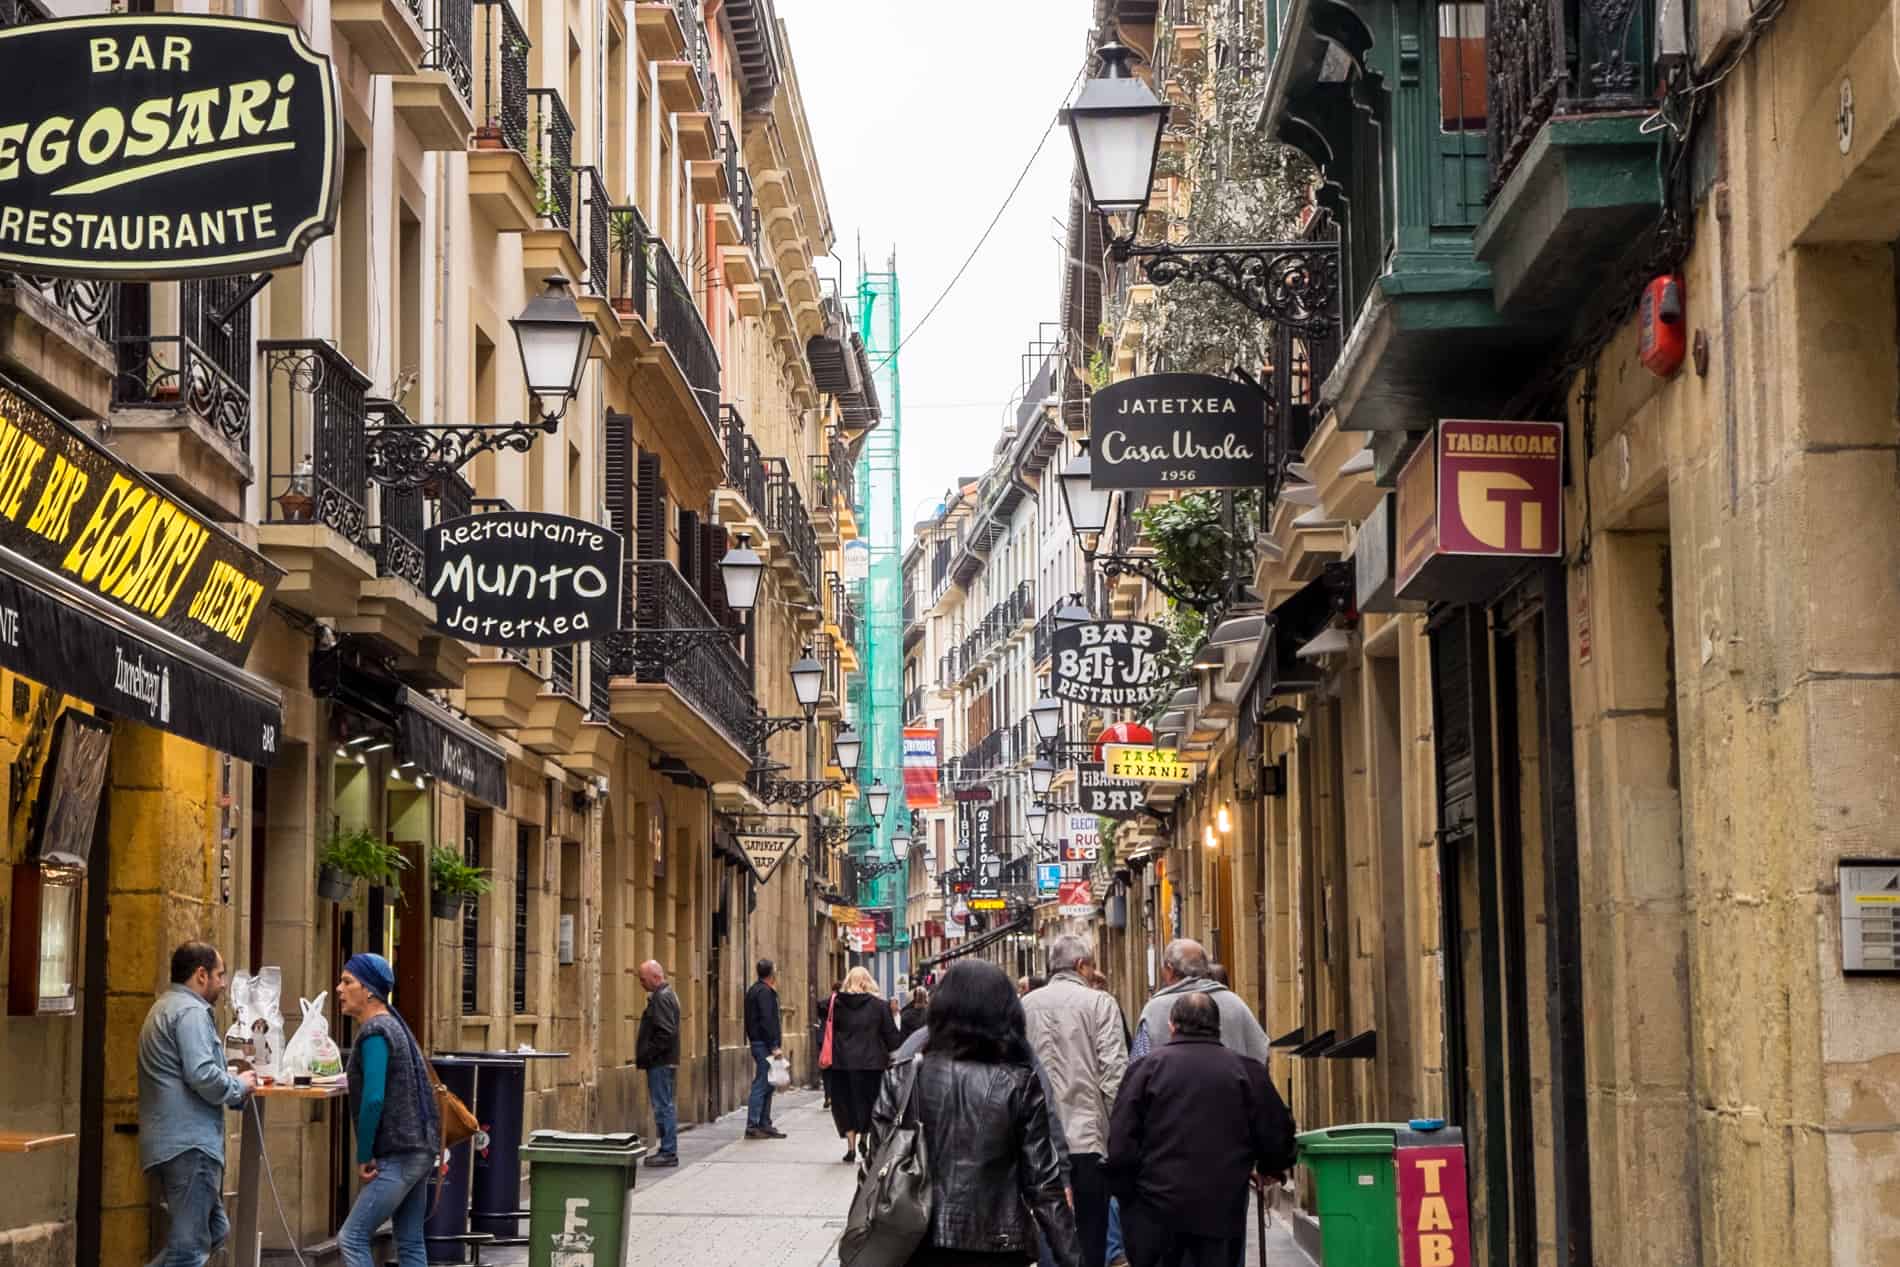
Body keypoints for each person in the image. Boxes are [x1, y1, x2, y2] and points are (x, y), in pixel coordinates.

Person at [865, 959, 1081, 1267]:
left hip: (914, 1237)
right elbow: (1044, 1185)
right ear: (1005, 1012)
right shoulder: (1018, 1083)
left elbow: (877, 1160)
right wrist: (1070, 1256)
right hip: (996, 1242)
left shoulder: (902, 1075)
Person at [1106, 994, 1296, 1267]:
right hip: (1220, 1210)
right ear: (1217, 1026)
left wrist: (1126, 1194)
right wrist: (1273, 1167)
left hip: (1155, 1210)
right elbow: (1276, 1130)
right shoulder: (1245, 1070)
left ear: (1172, 1025)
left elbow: (1122, 1140)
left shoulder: (1146, 1069)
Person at [138, 941, 256, 1267]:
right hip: (190, 1146)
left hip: (171, 1142)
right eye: (219, 975)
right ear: (201, 975)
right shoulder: (190, 1012)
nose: (223, 983)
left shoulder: (165, 1006)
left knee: (215, 1229)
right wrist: (237, 1085)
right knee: (189, 1251)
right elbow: (202, 1074)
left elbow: (191, 1069)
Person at [1022, 935, 1127, 1267]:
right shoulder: (1100, 1003)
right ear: (1082, 965)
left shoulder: (1024, 1006)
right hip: (1088, 1143)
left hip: (1037, 1143)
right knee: (1091, 1237)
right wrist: (1121, 1137)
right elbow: (1114, 1076)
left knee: (1047, 1235)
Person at [335, 953, 442, 1267]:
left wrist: (364, 1154)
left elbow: (373, 1100)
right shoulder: (396, 1027)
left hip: (398, 1154)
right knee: (409, 1243)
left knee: (351, 1238)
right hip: (419, 1150)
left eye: (347, 981)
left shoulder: (375, 1032)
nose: (340, 989)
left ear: (368, 990)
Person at [1129, 940, 1267, 1066]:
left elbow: (1138, 1064)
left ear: (1170, 970)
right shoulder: (1234, 1003)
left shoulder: (1154, 1010)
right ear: (1206, 968)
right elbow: (1260, 1051)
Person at [827, 965, 900, 1162]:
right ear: (868, 982)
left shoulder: (835, 1004)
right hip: (872, 1064)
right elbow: (891, 1036)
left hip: (842, 1063)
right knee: (870, 1103)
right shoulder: (880, 1006)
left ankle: (850, 1147)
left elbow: (820, 1009)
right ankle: (865, 1140)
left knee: (845, 1104)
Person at [635, 960, 681, 1167]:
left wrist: (649, 1054)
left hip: (660, 1062)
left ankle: (668, 1151)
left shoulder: (662, 998)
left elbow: (666, 1033)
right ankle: (667, 1149)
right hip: (663, 1061)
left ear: (655, 977)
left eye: (643, 979)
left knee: (663, 1106)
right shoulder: (666, 995)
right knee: (664, 1105)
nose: (641, 983)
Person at [744, 958, 785, 1140]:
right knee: (762, 1083)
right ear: (771, 973)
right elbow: (767, 1020)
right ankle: (753, 1125)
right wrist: (774, 1046)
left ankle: (764, 1123)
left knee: (768, 1083)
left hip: (758, 1042)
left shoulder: (754, 990)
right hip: (764, 1044)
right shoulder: (765, 993)